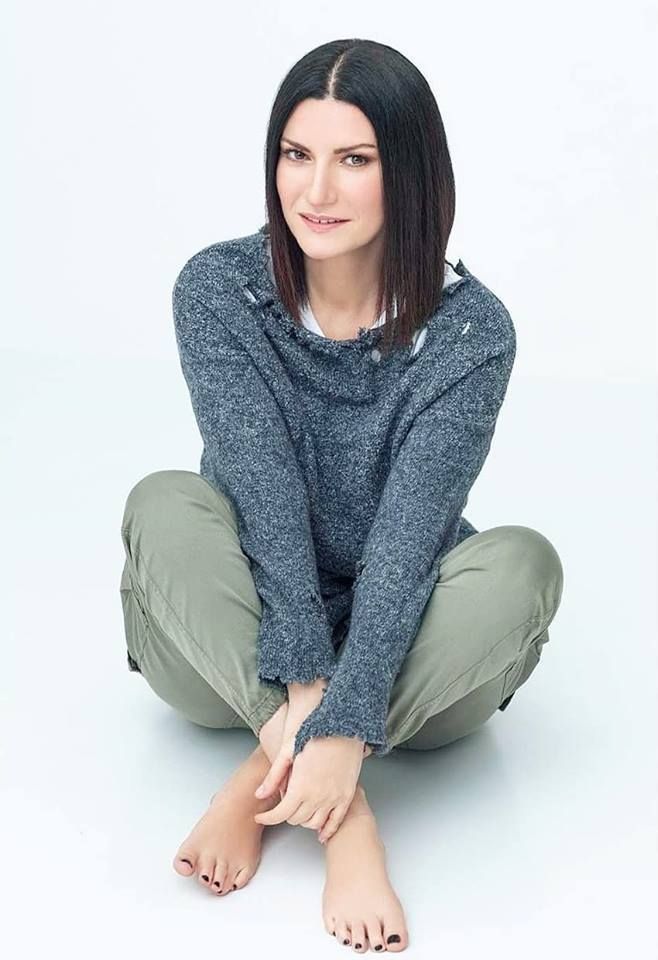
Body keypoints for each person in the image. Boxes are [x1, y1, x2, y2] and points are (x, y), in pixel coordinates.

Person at [119, 38, 564, 954]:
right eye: (297, 154)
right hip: (229, 645)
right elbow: (265, 501)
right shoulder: (220, 290)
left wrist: (344, 713)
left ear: (410, 172)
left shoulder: (472, 332)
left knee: (523, 563)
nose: (316, 190)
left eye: (354, 159)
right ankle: (343, 812)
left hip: (405, 662)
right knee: (163, 502)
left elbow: (409, 544)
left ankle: (270, 771)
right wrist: (315, 702)